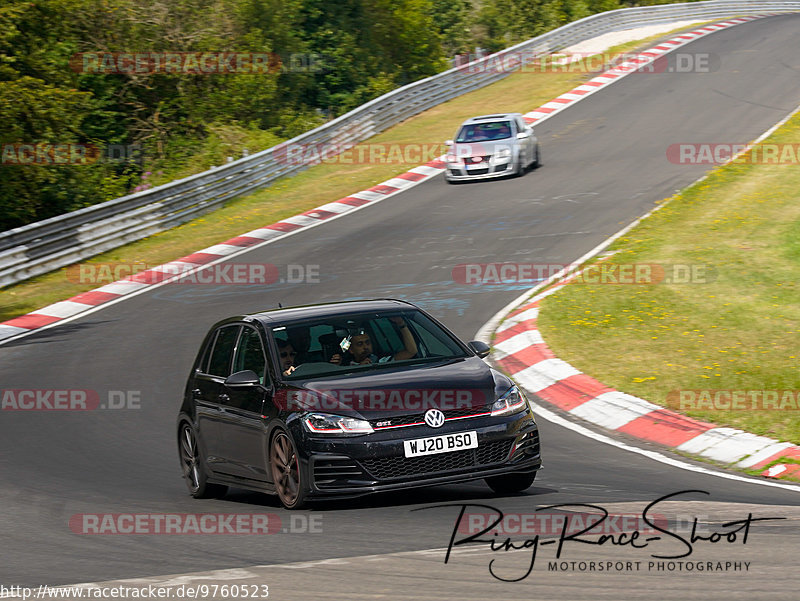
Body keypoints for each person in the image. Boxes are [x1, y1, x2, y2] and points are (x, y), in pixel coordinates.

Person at [330, 317, 417, 366]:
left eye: (368, 342)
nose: (365, 347)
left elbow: (411, 351)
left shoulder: (381, 362)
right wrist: (360, 369)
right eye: (360, 344)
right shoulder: (344, 367)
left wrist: (401, 324)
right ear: (351, 350)